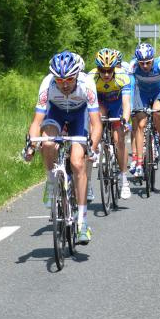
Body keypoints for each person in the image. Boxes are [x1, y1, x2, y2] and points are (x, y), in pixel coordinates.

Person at [26, 50, 102, 244]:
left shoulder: (87, 85)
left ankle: (82, 222)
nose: (64, 84)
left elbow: (96, 123)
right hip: (56, 113)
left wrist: (92, 147)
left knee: (77, 162)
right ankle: (52, 181)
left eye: (68, 79)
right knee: (48, 142)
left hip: (79, 115)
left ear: (77, 75)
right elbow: (37, 121)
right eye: (59, 80)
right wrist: (31, 146)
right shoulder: (47, 84)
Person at [88, 48, 132, 200]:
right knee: (98, 117)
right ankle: (99, 145)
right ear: (97, 68)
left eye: (109, 70)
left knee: (119, 139)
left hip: (117, 106)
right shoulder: (91, 77)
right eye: (102, 70)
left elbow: (127, 104)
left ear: (115, 68)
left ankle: (123, 178)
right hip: (100, 104)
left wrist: (125, 120)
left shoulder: (122, 77)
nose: (106, 74)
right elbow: (88, 105)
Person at [129, 43, 160, 176]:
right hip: (141, 93)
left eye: (148, 63)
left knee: (158, 113)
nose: (145, 66)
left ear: (153, 59)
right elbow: (130, 88)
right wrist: (130, 107)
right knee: (141, 125)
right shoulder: (133, 65)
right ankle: (140, 163)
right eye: (142, 63)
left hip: (158, 92)